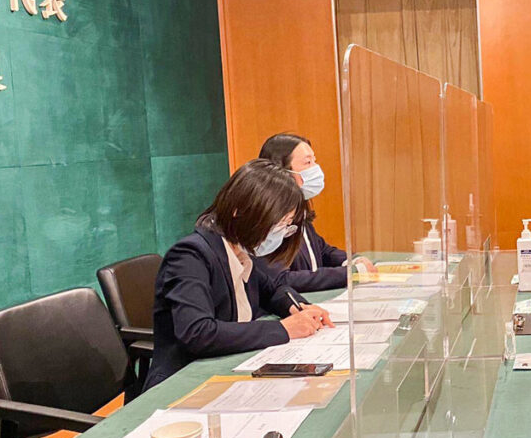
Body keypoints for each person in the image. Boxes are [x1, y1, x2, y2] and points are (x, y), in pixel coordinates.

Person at [143, 159, 335, 390]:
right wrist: (284, 329)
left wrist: (297, 307)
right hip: (183, 382)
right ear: (239, 211)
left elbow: (273, 289)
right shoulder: (191, 256)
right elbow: (198, 332)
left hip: (228, 369)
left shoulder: (242, 252)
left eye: (287, 225)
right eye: (277, 224)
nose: (280, 233)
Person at [257, 133, 376, 291]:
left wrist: (352, 260)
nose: (315, 168)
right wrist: (348, 274)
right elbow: (282, 278)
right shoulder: (269, 218)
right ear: (282, 171)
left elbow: (322, 250)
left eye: (314, 160)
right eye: (308, 162)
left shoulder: (299, 208)